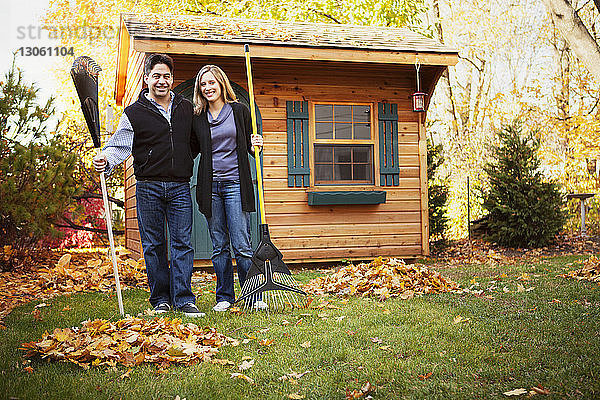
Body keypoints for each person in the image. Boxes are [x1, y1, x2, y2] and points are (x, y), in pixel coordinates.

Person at [93, 54, 204, 318]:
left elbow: (197, 141)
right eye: (156, 76)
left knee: (182, 244)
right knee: (154, 245)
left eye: (166, 76)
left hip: (179, 186)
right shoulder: (134, 112)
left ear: (172, 79)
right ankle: (160, 300)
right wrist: (105, 158)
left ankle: (184, 299)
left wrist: (184, 158)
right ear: (146, 79)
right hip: (148, 187)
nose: (162, 81)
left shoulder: (185, 108)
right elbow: (119, 144)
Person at [191, 65, 267, 312]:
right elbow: (191, 150)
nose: (208, 88)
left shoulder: (240, 111)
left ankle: (253, 296)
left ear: (221, 84)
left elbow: (250, 147)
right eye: (203, 85)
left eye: (211, 83)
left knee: (242, 244)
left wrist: (257, 143)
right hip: (210, 187)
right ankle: (224, 296)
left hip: (235, 184)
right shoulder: (198, 117)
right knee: (219, 246)